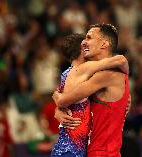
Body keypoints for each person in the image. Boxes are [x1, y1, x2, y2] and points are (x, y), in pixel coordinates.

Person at [53, 23, 130, 157]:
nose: (84, 42)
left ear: (104, 44)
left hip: (103, 153)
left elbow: (64, 99)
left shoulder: (107, 75)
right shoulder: (101, 73)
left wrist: (57, 100)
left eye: (89, 38)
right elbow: (67, 93)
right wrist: (58, 110)